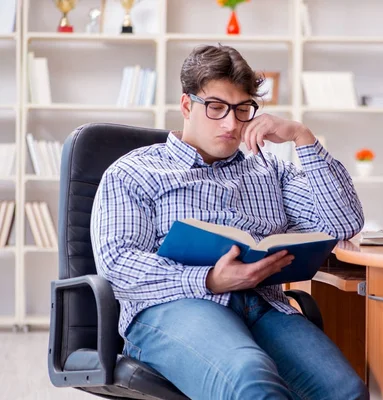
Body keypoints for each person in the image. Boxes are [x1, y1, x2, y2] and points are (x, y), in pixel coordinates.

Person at [90, 44, 368, 400]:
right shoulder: (135, 171)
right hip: (174, 308)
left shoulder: (269, 169)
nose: (231, 123)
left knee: (346, 391)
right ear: (187, 106)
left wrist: (302, 137)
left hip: (261, 305)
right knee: (251, 381)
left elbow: (342, 223)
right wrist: (208, 278)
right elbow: (117, 265)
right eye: (216, 108)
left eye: (242, 110)